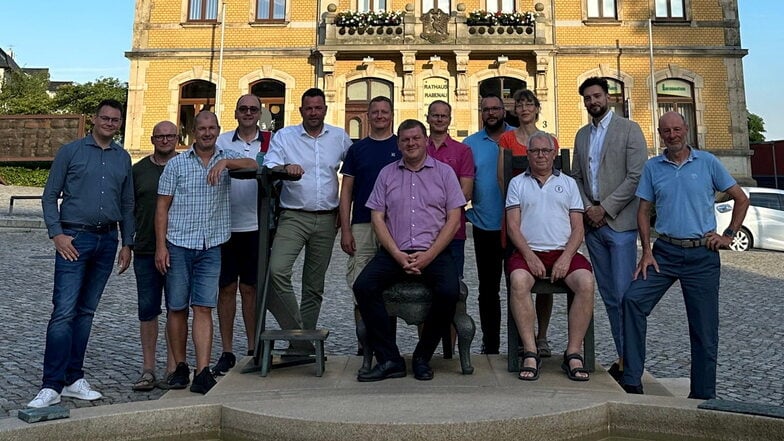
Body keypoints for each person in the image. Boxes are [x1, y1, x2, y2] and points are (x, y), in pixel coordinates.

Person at [621, 111, 749, 399]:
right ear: (660, 133)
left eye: (677, 129)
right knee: (632, 300)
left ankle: (703, 394)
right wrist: (646, 252)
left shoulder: (707, 163)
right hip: (664, 252)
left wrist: (728, 235)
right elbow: (642, 211)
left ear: (686, 129)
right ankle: (631, 379)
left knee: (704, 327)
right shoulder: (653, 167)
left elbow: (741, 198)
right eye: (666, 131)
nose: (672, 135)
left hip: (702, 254)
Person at [30, 99, 134, 408]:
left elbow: (127, 204)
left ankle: (74, 378)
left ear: (119, 123)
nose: (109, 123)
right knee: (63, 311)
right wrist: (56, 234)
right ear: (94, 119)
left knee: (86, 312)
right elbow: (49, 196)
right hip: (74, 238)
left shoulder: (122, 158)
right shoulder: (70, 152)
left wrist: (127, 242)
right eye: (105, 117)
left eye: (115, 119)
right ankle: (51, 384)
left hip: (106, 241)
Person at [354, 119, 465, 382]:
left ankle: (422, 356)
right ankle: (390, 358)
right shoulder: (387, 174)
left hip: (434, 252)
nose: (411, 143)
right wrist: (396, 254)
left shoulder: (444, 173)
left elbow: (454, 218)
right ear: (399, 143)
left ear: (426, 140)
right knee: (363, 286)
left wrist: (430, 255)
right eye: (405, 140)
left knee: (449, 291)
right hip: (395, 251)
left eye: (416, 138)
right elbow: (377, 218)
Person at [155, 111, 257, 394]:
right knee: (176, 307)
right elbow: (161, 208)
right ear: (193, 131)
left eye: (212, 128)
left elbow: (253, 164)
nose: (207, 133)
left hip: (211, 246)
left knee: (203, 307)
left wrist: (226, 162)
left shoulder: (227, 156)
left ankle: (202, 371)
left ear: (218, 130)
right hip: (178, 244)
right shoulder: (176, 165)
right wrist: (161, 246)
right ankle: (179, 367)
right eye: (202, 128)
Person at [262, 88, 352, 351]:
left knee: (314, 287)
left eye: (318, 108)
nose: (313, 112)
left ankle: (300, 347)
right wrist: (284, 168)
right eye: (309, 108)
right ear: (301, 110)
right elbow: (269, 166)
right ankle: (301, 333)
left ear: (325, 109)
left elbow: (356, 167)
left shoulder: (339, 137)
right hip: (293, 216)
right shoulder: (285, 136)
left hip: (327, 220)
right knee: (277, 271)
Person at [571, 77, 647, 382]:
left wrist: (606, 208)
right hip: (593, 226)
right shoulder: (581, 135)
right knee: (609, 296)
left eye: (597, 96)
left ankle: (633, 363)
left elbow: (636, 175)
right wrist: (590, 206)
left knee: (625, 295)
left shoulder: (629, 129)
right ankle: (623, 358)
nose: (593, 102)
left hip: (620, 225)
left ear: (608, 97)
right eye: (588, 98)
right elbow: (576, 176)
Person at [505, 131, 594, 382]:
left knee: (586, 283)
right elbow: (513, 226)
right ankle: (530, 351)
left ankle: (573, 352)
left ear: (554, 153)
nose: (540, 155)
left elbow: (578, 227)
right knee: (519, 282)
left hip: (563, 251)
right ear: (528, 154)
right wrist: (529, 255)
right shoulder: (517, 184)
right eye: (534, 151)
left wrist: (566, 257)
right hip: (528, 251)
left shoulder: (568, 184)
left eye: (546, 151)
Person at [497, 89, 560, 359]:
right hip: (517, 214)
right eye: (519, 104)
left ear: (536, 108)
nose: (524, 109)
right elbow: (503, 178)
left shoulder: (550, 139)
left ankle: (542, 335)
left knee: (547, 279)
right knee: (518, 279)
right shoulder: (508, 138)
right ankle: (523, 338)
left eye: (528, 104)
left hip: (546, 218)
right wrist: (516, 207)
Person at [212, 94, 269, 375]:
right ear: (235, 113)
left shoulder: (270, 141)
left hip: (255, 224)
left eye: (253, 109)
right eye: (243, 108)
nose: (248, 113)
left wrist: (228, 164)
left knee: (251, 289)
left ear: (260, 113)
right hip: (224, 224)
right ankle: (226, 350)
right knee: (225, 290)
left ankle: (252, 346)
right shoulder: (222, 141)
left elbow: (262, 167)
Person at [338, 96, 400, 354]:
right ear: (368, 115)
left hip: (395, 226)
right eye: (375, 112)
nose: (379, 116)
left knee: (391, 286)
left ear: (392, 115)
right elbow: (347, 191)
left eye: (384, 112)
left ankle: (388, 342)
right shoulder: (357, 149)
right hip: (363, 225)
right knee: (360, 283)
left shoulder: (402, 144)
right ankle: (365, 345)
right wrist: (346, 228)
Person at [462, 94, 513, 355]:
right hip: (485, 226)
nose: (491, 113)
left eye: (496, 109)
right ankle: (490, 344)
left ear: (504, 111)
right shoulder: (470, 144)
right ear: (481, 112)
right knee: (488, 290)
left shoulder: (518, 137)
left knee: (518, 288)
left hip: (518, 228)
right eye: (486, 109)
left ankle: (520, 345)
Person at [131, 121, 178, 391]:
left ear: (176, 138)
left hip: (178, 248)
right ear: (152, 139)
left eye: (169, 136)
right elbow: (129, 208)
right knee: (147, 310)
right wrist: (128, 243)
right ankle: (148, 369)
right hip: (146, 249)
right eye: (159, 136)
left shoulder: (185, 165)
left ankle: (173, 368)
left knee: (176, 308)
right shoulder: (139, 171)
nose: (164, 140)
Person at [426, 100, 474, 276]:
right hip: (422, 230)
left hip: (453, 229)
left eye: (443, 116)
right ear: (428, 118)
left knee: (453, 286)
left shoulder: (463, 151)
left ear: (449, 119)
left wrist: (438, 210)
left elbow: (466, 192)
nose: (439, 119)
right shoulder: (417, 147)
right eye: (435, 115)